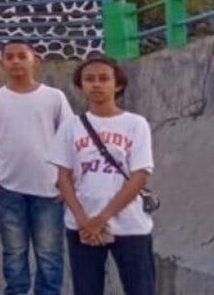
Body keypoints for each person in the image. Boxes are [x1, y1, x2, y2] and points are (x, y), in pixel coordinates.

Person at [48, 57, 156, 295]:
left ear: (117, 85)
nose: (96, 84)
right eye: (89, 79)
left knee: (141, 289)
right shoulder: (71, 127)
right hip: (82, 226)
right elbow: (63, 177)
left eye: (104, 79)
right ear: (81, 86)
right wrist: (84, 220)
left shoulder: (135, 124)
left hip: (130, 224)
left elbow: (139, 176)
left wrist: (102, 218)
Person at [0, 40, 73, 295]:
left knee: (49, 253)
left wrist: (68, 180)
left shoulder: (54, 97)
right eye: (9, 57)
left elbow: (69, 138)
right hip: (8, 188)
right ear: (2, 62)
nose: (16, 61)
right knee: (14, 253)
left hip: (49, 188)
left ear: (35, 60)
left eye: (21, 56)